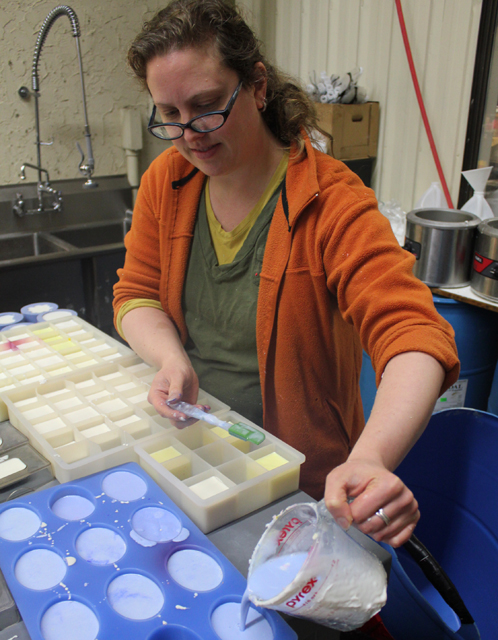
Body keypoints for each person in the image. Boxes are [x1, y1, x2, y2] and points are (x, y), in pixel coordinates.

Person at [113, 0, 459, 549]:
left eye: (206, 107)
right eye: (170, 115)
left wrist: (370, 458)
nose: (190, 134)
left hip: (296, 490)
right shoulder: (169, 181)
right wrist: (171, 358)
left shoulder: (331, 203)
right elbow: (135, 294)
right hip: (193, 453)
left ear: (255, 85)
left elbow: (414, 337)